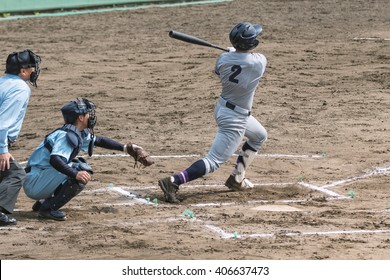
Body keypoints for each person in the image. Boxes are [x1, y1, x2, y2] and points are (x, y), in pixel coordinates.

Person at [159, 22, 268, 203]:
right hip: (235, 119)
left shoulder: (223, 59)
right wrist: (236, 54)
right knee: (214, 160)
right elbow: (249, 60)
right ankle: (173, 181)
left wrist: (232, 54)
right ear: (250, 44)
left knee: (259, 135)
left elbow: (222, 70)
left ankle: (237, 178)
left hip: (223, 108)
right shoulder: (258, 63)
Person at [23, 98, 154, 221]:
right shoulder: (65, 137)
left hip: (38, 177)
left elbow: (99, 140)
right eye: (87, 114)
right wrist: (75, 174)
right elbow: (55, 160)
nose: (90, 116)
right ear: (80, 118)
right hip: (35, 182)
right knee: (79, 169)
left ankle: (42, 202)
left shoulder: (77, 132)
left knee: (76, 166)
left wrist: (126, 148)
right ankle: (48, 208)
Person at [0, 49, 41, 226]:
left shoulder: (3, 82)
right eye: (32, 67)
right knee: (15, 173)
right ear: (23, 71)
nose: (34, 71)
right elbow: (2, 124)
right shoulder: (19, 88)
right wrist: (3, 151)